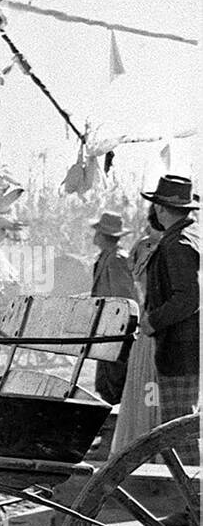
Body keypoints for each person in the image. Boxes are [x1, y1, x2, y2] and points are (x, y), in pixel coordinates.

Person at [138, 175, 199, 424]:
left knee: (178, 430)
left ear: (160, 208)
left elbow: (188, 299)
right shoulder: (190, 237)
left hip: (180, 351)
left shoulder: (177, 244)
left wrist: (153, 321)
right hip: (187, 349)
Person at [110, 227, 163, 454]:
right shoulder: (155, 247)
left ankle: (145, 439)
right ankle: (149, 443)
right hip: (154, 329)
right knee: (151, 390)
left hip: (151, 327)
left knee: (148, 390)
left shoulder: (148, 246)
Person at [88, 210, 137, 404]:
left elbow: (124, 299)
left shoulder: (116, 260)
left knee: (115, 382)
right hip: (106, 330)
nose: (95, 236)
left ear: (104, 236)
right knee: (105, 384)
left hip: (116, 330)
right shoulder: (106, 258)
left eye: (98, 232)